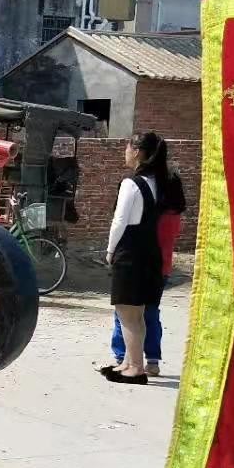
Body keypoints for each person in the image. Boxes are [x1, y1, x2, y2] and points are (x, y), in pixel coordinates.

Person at [104, 162, 186, 376]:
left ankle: (125, 358)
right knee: (150, 314)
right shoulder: (174, 216)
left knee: (125, 314)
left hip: (144, 263)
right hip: (163, 267)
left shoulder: (153, 213)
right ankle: (152, 360)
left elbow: (125, 223)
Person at [102, 131, 169, 386]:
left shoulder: (131, 183)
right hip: (149, 251)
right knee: (137, 314)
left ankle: (136, 368)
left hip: (129, 251)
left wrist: (110, 251)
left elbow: (119, 221)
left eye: (128, 147)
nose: (125, 152)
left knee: (126, 313)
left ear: (138, 152)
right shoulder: (156, 182)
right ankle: (129, 362)